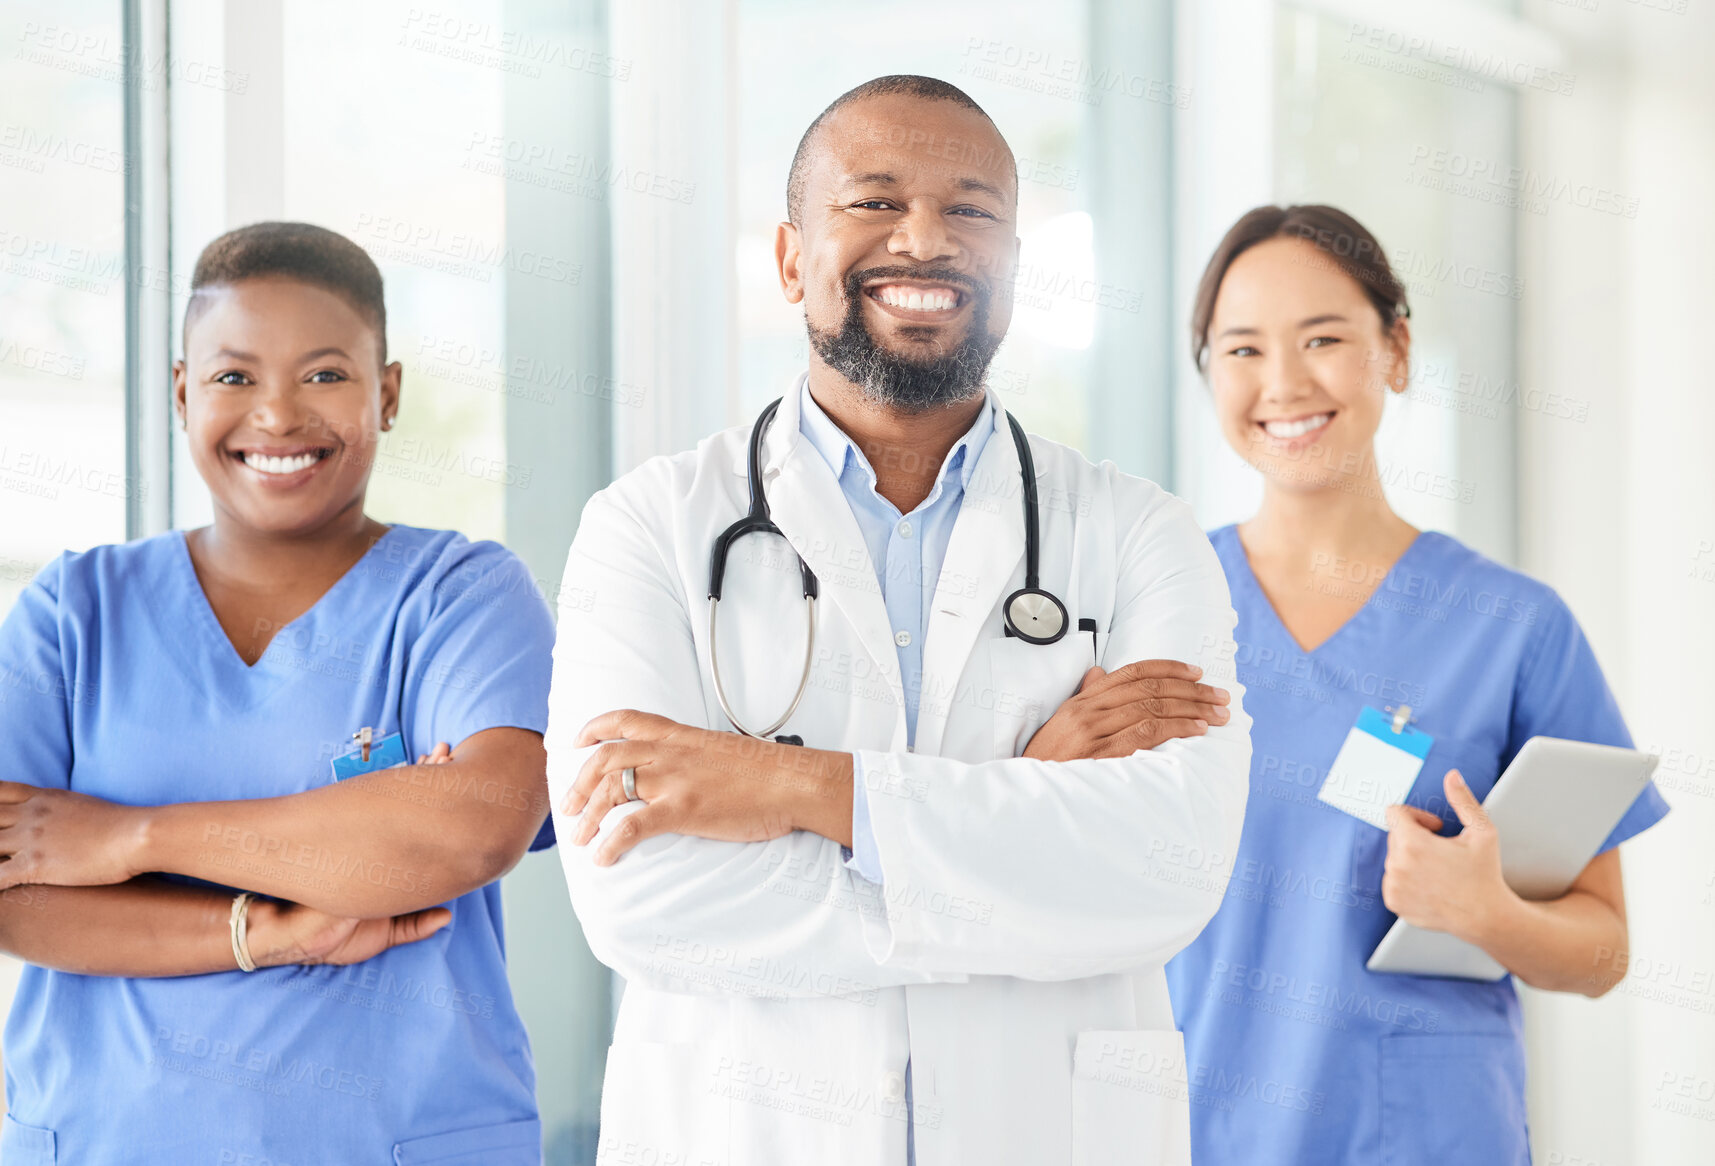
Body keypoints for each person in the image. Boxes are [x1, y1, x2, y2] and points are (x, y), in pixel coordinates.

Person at [546, 75, 1249, 1165]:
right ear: (789, 258)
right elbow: (640, 895)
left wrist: (788, 786)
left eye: (971, 211)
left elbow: (1165, 866)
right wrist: (1024, 815)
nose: (923, 240)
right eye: (872, 201)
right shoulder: (646, 526)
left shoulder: (1138, 532)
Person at [0, 222, 556, 1165]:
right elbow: (14, 893)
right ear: (182, 393)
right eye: (233, 377)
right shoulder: (75, 609)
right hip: (109, 1138)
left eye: (326, 374)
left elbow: (472, 825)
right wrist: (273, 927)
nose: (278, 416)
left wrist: (128, 838)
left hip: (395, 1138)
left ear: (387, 394)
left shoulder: (464, 596)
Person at [1162, 204, 1670, 1165]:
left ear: (1394, 350)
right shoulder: (1158, 612)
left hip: (1424, 1137)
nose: (1283, 384)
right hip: (1196, 1128)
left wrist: (1489, 913)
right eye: (1241, 349)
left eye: (1323, 338)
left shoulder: (1514, 628)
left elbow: (1603, 952)